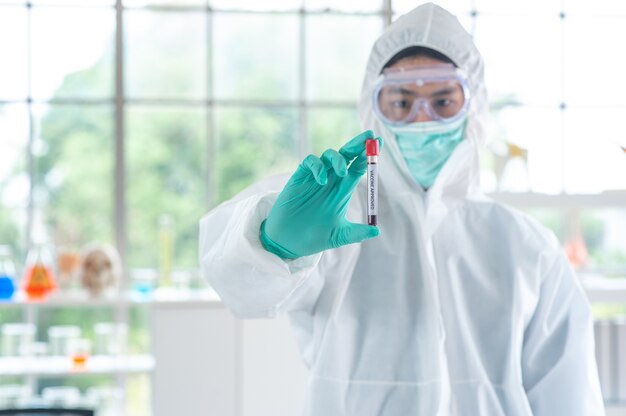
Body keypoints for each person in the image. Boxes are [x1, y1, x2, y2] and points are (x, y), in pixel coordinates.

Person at [199, 3, 604, 415]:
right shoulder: (339, 220)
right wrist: (271, 240)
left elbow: (567, 396)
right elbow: (234, 278)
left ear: (474, 105)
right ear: (372, 107)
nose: (421, 120)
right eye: (401, 101)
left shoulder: (526, 247)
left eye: (443, 101)